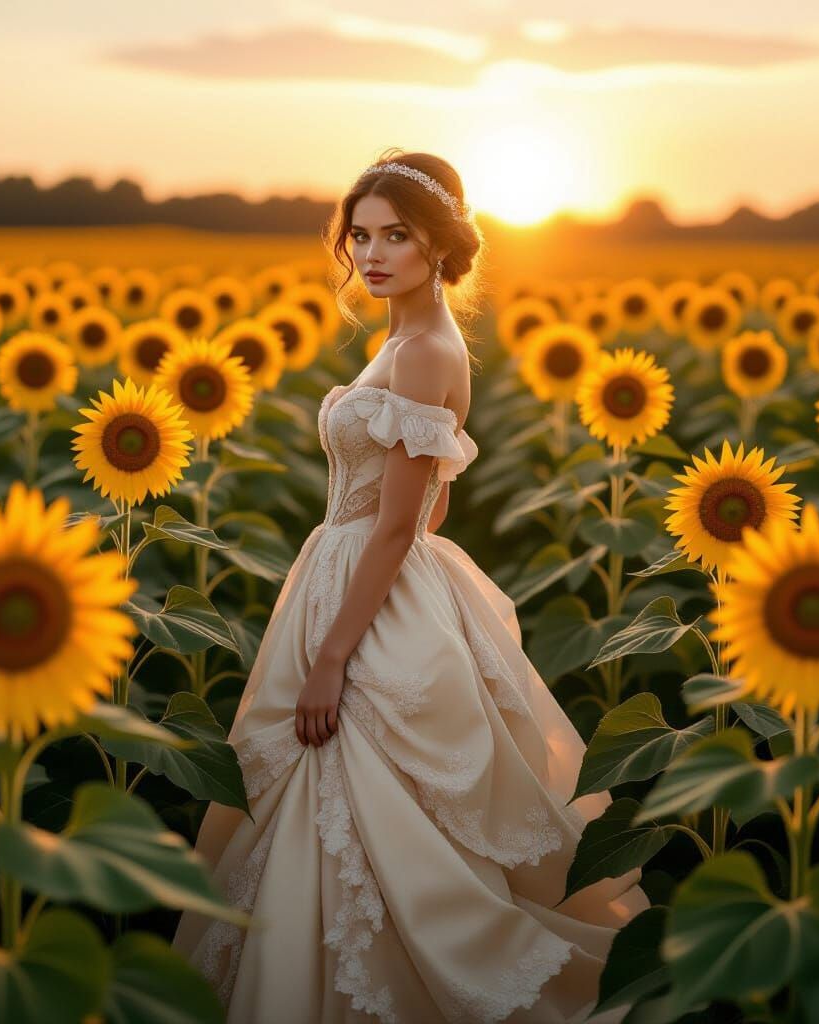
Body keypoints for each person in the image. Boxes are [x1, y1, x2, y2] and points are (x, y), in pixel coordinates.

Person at [171, 150, 649, 1023]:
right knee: (312, 792)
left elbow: (401, 525)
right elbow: (436, 505)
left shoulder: (427, 349)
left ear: (440, 246)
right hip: (359, 578)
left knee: (354, 785)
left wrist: (336, 654)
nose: (374, 253)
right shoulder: (403, 341)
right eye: (360, 236)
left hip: (367, 590)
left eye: (397, 235)